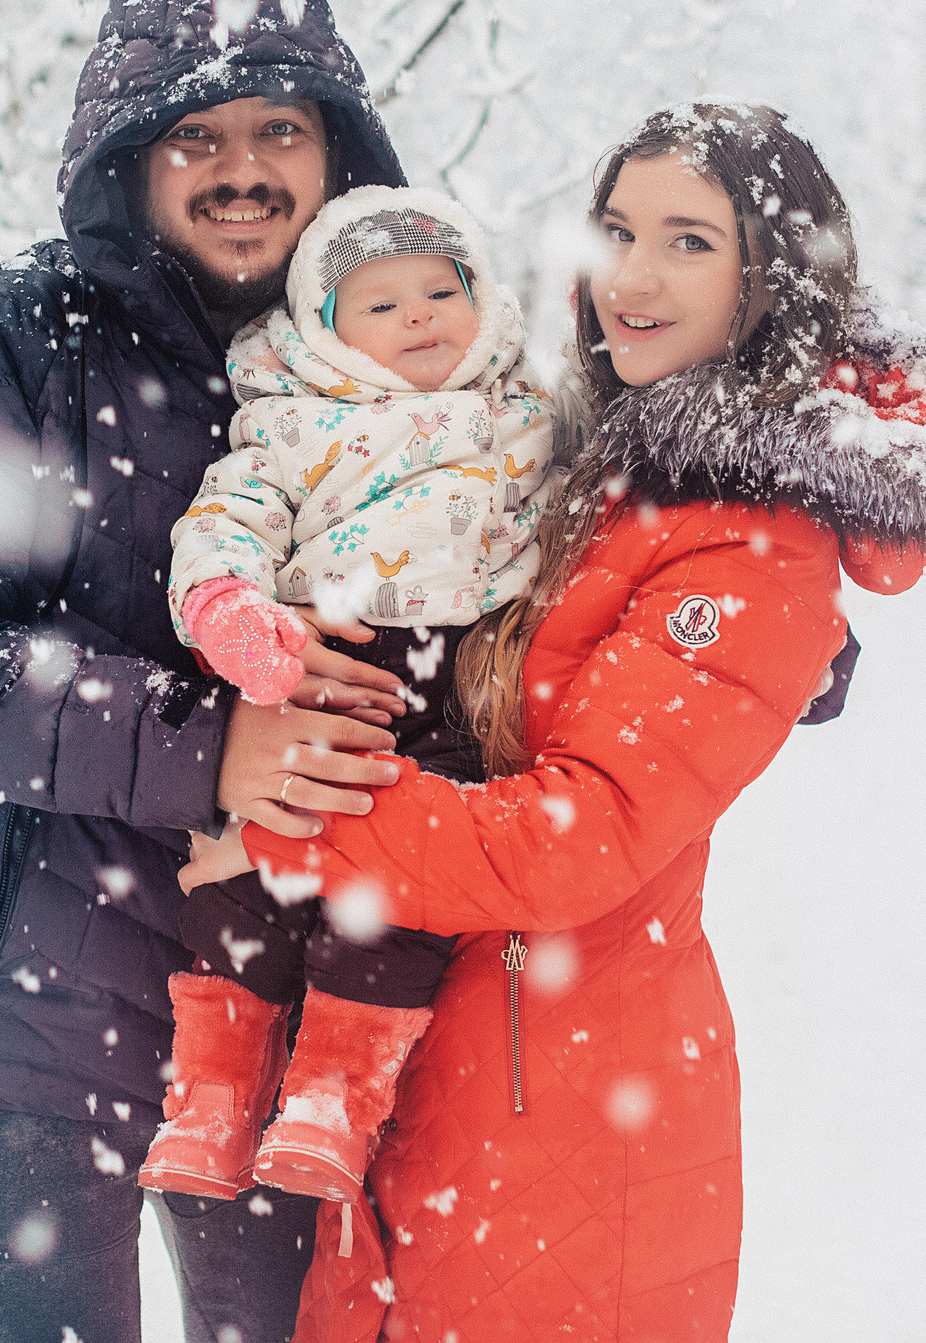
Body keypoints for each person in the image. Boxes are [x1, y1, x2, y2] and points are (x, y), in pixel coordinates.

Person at [217, 101, 926, 1340]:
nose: (628, 278)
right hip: (449, 1061)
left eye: (688, 240)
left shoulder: (749, 540)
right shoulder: (590, 468)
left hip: (563, 1114)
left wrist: (284, 819)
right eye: (616, 230)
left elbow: (569, 841)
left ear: (769, 276)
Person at [0, 0, 426, 1343]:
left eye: (282, 129)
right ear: (128, 159)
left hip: (275, 1016)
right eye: (196, 136)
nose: (243, 170)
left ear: (338, 152)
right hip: (19, 1027)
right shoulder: (11, 339)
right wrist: (214, 746)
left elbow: (534, 536)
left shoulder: (400, 351)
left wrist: (738, 596)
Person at [137, 185, 553, 1206]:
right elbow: (224, 519)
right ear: (325, 335)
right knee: (250, 882)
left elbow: (621, 515)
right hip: (320, 688)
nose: (417, 316)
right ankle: (212, 1096)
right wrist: (233, 610)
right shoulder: (289, 423)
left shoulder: (529, 416)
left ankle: (334, 1097)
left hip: (458, 694)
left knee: (400, 900)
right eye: (378, 304)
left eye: (438, 291)